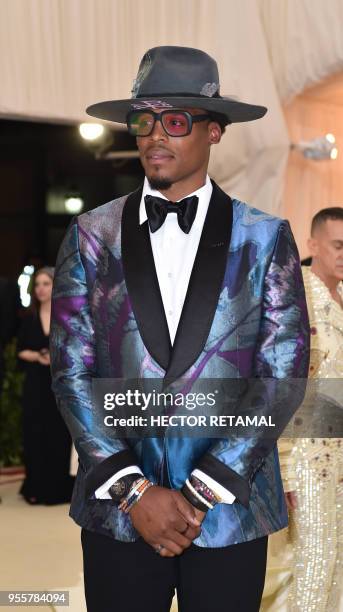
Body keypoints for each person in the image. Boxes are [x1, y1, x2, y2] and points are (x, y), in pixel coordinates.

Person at [50, 46, 310, 612]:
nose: (154, 136)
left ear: (214, 132)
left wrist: (200, 491)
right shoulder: (92, 235)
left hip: (227, 512)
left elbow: (281, 372)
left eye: (175, 121)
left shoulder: (265, 238)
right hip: (119, 512)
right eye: (143, 120)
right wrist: (135, 490)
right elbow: (72, 371)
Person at [262, 207, 343, 612]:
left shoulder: (342, 300)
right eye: (339, 245)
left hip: (341, 455)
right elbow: (284, 388)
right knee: (312, 562)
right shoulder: (299, 299)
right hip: (308, 457)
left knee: (336, 563)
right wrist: (286, 468)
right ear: (313, 245)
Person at [17, 267, 74, 505]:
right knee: (35, 433)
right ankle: (36, 487)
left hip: (60, 385)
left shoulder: (66, 317)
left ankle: (60, 488)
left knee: (59, 434)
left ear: (55, 286)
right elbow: (20, 351)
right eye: (38, 284)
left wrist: (56, 357)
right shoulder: (28, 319)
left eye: (45, 283)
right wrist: (37, 356)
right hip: (35, 385)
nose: (41, 288)